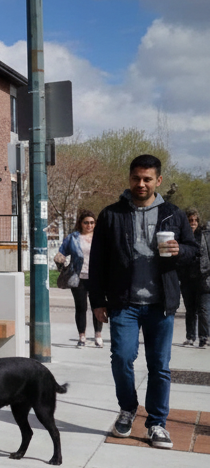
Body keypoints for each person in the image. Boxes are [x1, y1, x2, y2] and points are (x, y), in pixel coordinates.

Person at [89, 154, 197, 450]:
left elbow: (193, 250)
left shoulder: (173, 214)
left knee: (159, 366)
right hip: (123, 303)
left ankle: (157, 423)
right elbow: (97, 262)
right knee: (122, 358)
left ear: (158, 181)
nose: (141, 183)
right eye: (136, 178)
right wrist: (97, 301)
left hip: (160, 304)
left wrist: (179, 251)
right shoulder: (112, 215)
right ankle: (127, 409)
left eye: (147, 179)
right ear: (130, 178)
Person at [54, 209, 103, 349]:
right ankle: (82, 336)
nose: (89, 225)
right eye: (86, 222)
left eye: (92, 223)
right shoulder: (73, 238)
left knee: (97, 307)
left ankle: (98, 335)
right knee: (81, 308)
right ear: (80, 223)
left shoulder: (100, 237)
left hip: (96, 277)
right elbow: (61, 252)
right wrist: (59, 258)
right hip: (78, 277)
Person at [178, 207, 210, 347]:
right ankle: (190, 337)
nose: (193, 222)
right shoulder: (181, 236)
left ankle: (204, 337)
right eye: (190, 220)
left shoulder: (205, 235)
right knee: (190, 310)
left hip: (203, 278)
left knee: (203, 309)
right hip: (186, 278)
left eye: (195, 220)